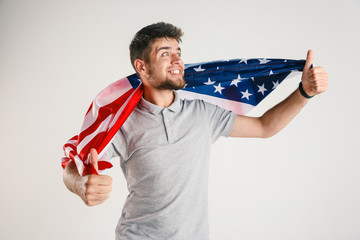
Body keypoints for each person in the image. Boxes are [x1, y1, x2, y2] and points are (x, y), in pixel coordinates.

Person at [63, 22, 328, 239]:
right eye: (165, 53)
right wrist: (79, 183)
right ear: (141, 67)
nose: (177, 60)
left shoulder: (202, 113)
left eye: (178, 52)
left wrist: (304, 92)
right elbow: (74, 159)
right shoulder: (123, 122)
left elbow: (264, 127)